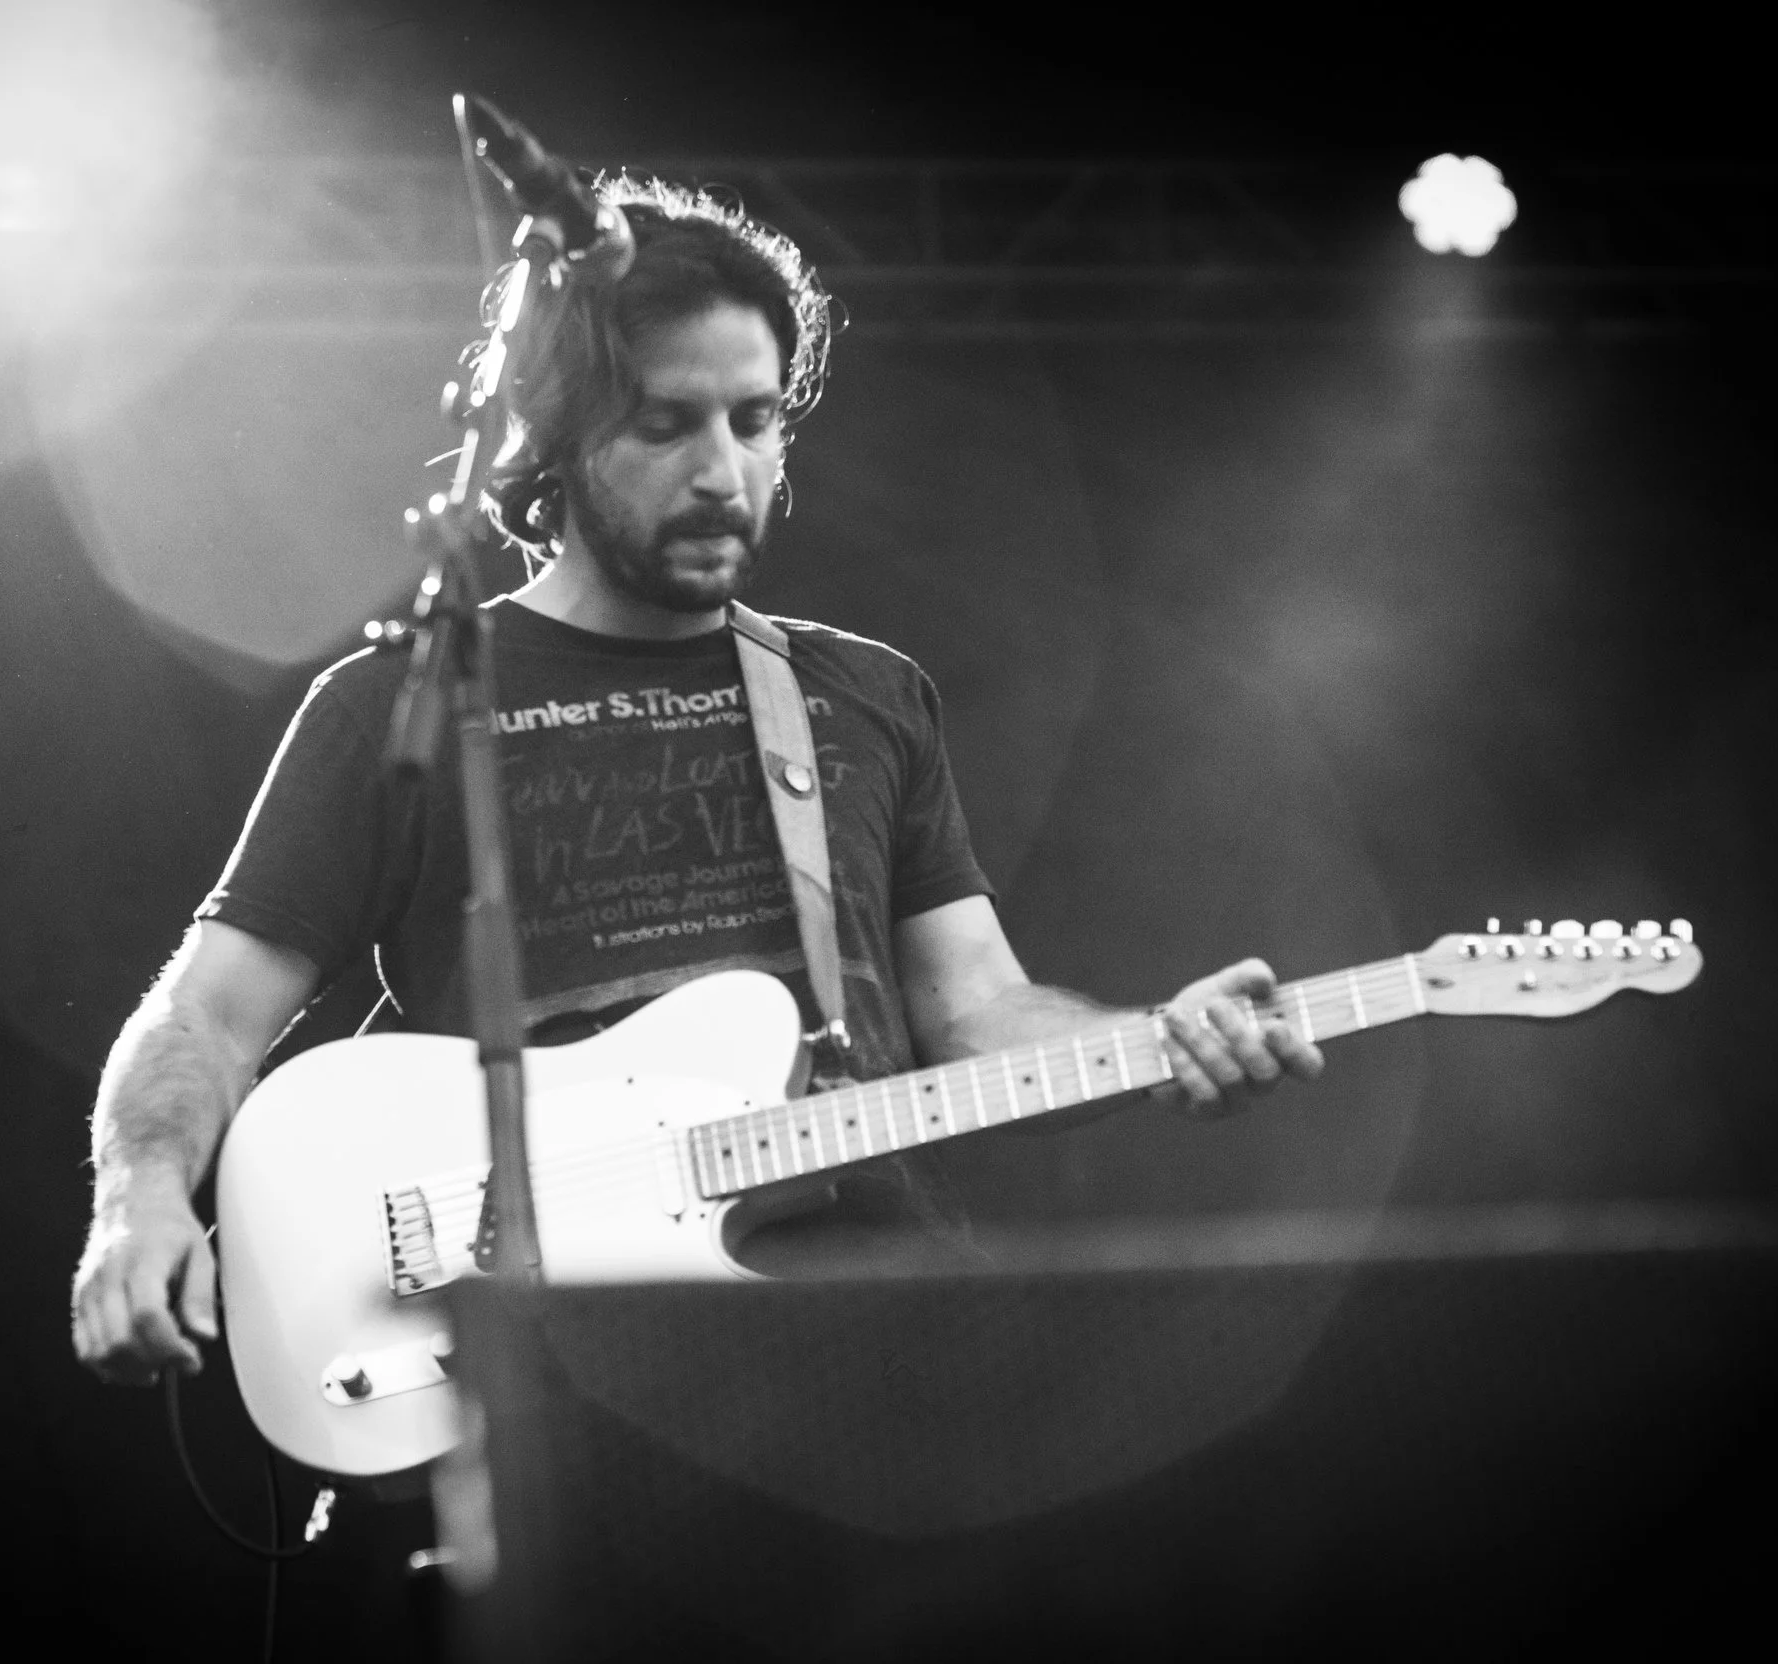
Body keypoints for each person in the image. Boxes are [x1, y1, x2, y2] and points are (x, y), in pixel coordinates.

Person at [71, 176, 1322, 1388]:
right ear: (555, 439)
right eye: (666, 425)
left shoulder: (862, 692)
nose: (725, 471)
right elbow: (206, 1019)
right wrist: (139, 1199)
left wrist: (1156, 1040)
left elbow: (977, 1013)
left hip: (872, 1331)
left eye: (755, 420)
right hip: (564, 1366)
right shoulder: (400, 700)